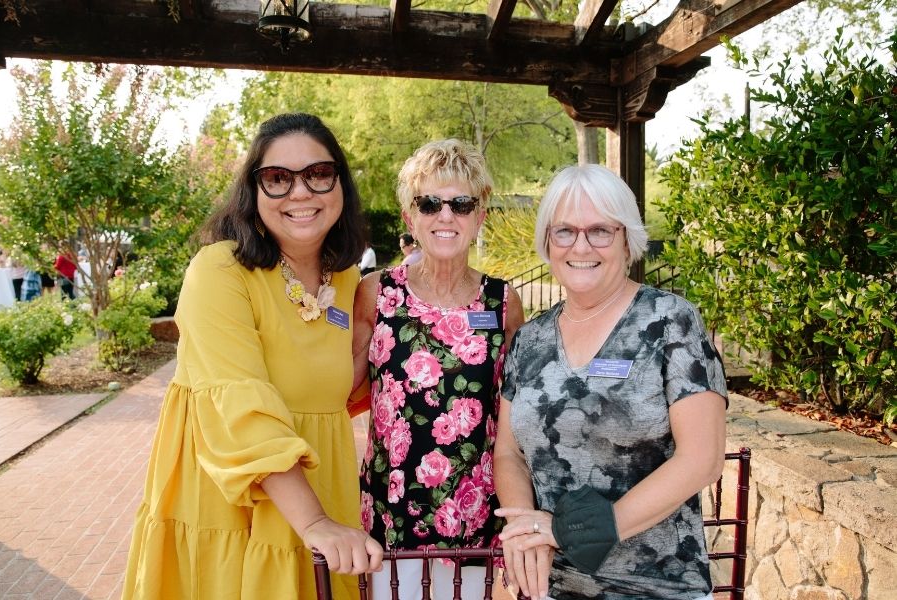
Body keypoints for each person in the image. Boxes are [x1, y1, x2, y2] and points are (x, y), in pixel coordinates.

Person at [122, 113, 383, 600]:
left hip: (320, 497)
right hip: (234, 505)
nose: (300, 192)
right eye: (278, 178)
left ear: (340, 185)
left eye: (318, 174)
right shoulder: (220, 270)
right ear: (253, 191)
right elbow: (239, 404)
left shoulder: (347, 280)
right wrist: (314, 521)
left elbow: (338, 394)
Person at [494, 164, 727, 600]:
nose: (581, 246)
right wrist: (524, 526)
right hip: (551, 587)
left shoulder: (669, 321)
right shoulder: (530, 339)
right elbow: (508, 452)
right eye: (565, 231)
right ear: (548, 241)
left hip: (656, 586)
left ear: (626, 240)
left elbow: (703, 459)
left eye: (600, 230)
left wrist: (570, 530)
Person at [352, 139, 525, 599]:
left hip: (474, 515)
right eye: (429, 203)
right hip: (392, 515)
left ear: (479, 216)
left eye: (461, 204)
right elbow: (340, 388)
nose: (445, 216)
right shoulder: (376, 294)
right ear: (410, 217)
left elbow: (518, 411)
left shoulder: (503, 302)